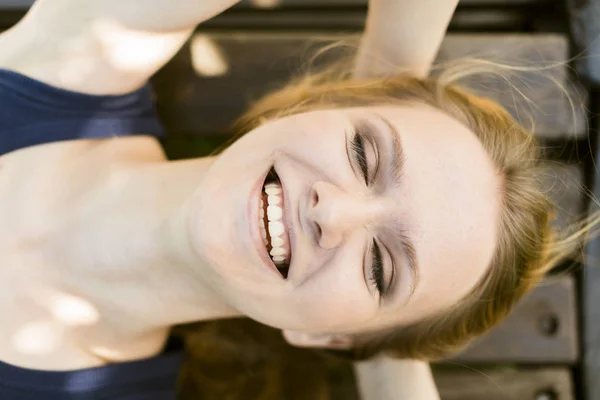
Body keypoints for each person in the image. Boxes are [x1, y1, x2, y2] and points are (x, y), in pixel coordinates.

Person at [0, 0, 580, 399]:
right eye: (364, 154)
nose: (333, 213)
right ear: (313, 108)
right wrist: (388, 65)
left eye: (380, 268)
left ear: (325, 338)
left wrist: (383, 349)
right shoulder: (81, 50)